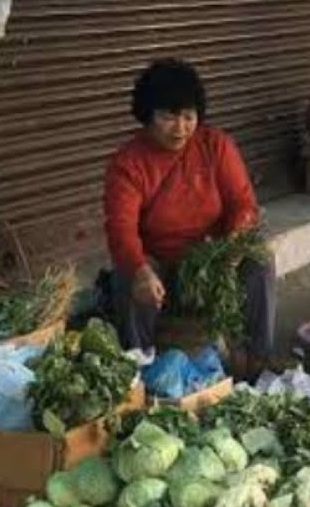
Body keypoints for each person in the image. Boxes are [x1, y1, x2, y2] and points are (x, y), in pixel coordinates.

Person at [104, 59, 276, 374]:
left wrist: (233, 245)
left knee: (259, 260)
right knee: (126, 278)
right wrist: (140, 270)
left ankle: (257, 362)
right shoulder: (129, 163)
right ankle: (138, 368)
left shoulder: (215, 146)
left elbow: (242, 203)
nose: (180, 128)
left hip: (211, 259)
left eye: (188, 116)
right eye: (168, 117)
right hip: (160, 262)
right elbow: (121, 227)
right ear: (147, 116)